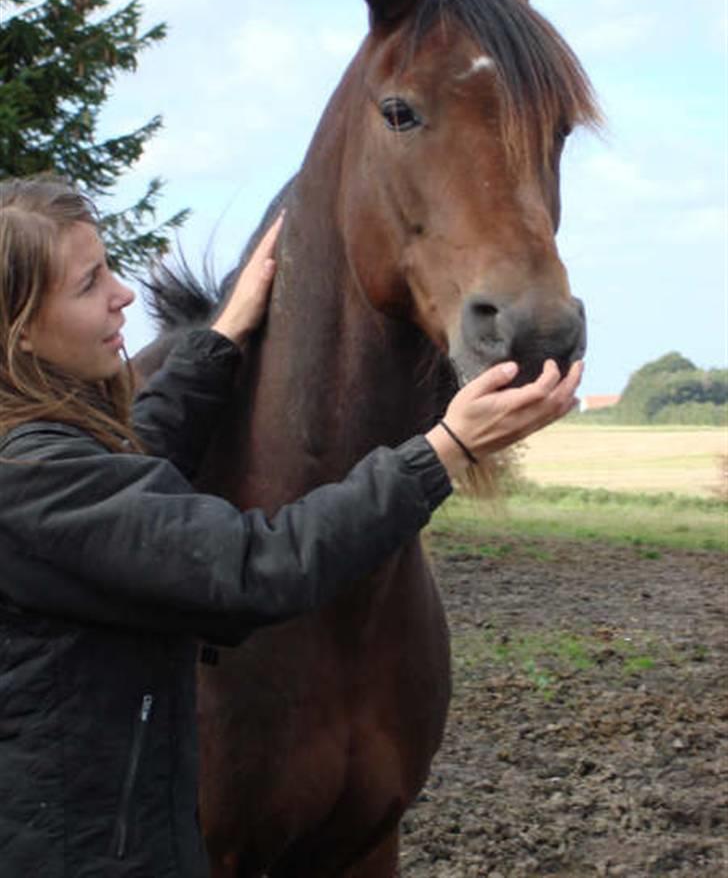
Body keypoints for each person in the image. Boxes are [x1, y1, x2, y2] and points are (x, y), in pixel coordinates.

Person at [0, 175, 582, 877]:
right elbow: (250, 568)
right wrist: (444, 450)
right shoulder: (29, 478)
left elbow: (134, 469)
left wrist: (222, 338)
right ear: (22, 331)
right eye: (89, 283)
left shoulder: (40, 446)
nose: (123, 294)